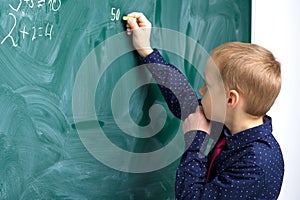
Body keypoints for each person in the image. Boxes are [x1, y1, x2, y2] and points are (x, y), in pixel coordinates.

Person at [125, 12, 284, 199]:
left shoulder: (256, 164)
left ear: (230, 100)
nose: (200, 90)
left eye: (208, 86)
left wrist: (195, 141)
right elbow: (185, 102)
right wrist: (147, 51)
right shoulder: (231, 122)